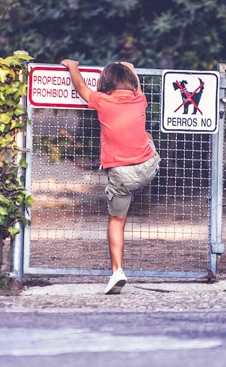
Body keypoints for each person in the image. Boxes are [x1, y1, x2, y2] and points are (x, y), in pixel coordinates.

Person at [60, 59, 160, 294]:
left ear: (105, 82)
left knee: (116, 220)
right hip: (148, 167)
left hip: (121, 174)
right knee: (147, 136)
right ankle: (141, 173)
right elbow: (137, 85)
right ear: (131, 82)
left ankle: (117, 272)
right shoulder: (139, 99)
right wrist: (131, 68)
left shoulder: (102, 101)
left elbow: (81, 88)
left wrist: (73, 66)